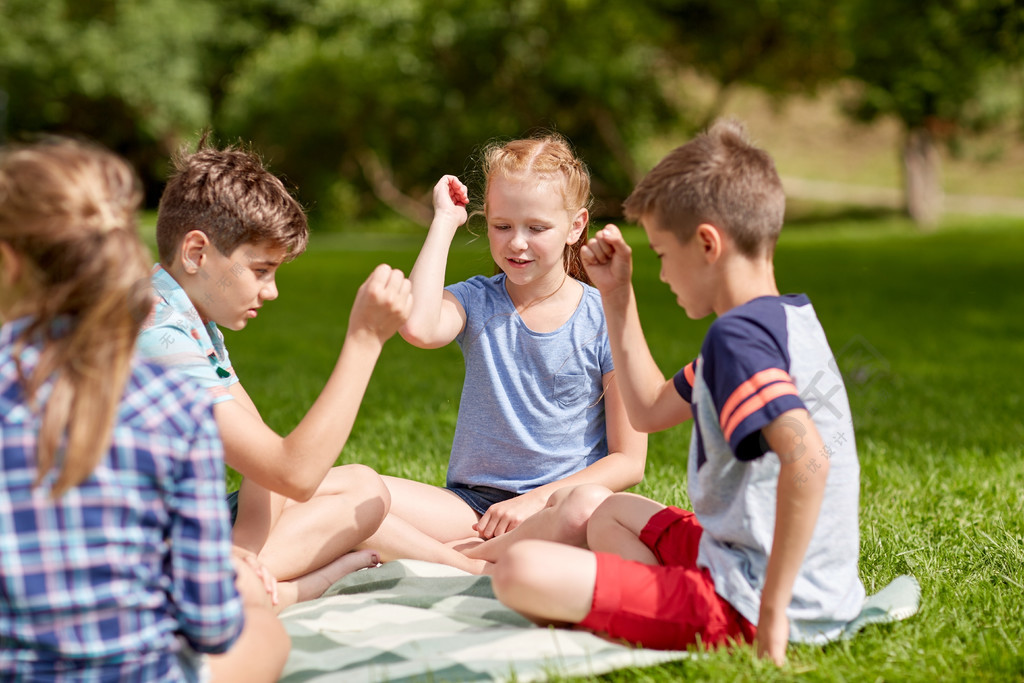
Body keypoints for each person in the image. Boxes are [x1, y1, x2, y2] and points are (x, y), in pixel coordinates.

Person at [490, 120, 866, 665]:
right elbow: (646, 411)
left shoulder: (736, 340)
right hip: (772, 570)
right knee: (608, 511)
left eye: (664, 255)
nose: (663, 274)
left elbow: (807, 457)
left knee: (521, 571)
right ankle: (658, 603)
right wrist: (617, 297)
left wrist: (774, 614)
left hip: (751, 602)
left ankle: (674, 610)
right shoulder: (784, 318)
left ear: (708, 244)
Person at [0, 138, 288, 681]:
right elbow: (210, 626)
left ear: (7, 262)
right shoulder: (175, 406)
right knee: (262, 629)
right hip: (145, 670)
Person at [137, 139, 411, 608]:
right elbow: (294, 473)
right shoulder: (158, 336)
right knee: (334, 497)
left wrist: (243, 549)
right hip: (127, 559)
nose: (273, 291)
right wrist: (365, 340)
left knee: (361, 485)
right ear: (197, 253)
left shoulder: (188, 314)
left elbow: (266, 466)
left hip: (174, 532)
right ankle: (245, 592)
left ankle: (244, 582)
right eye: (261, 270)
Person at [358, 134, 648, 574]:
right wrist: (443, 221)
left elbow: (629, 461)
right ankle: (476, 559)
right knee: (351, 490)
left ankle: (450, 558)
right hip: (470, 509)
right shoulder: (478, 300)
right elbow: (418, 327)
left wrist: (534, 503)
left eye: (537, 228)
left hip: (557, 506)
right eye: (502, 226)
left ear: (575, 226)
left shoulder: (605, 316)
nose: (517, 243)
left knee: (586, 508)